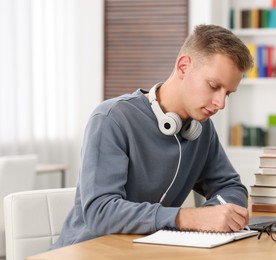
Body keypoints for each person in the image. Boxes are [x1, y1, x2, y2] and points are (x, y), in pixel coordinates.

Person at [52, 24, 253, 249]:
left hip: (147, 250)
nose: (221, 103)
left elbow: (230, 186)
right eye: (214, 86)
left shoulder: (201, 128)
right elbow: (100, 212)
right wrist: (188, 218)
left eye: (228, 93)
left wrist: (216, 216)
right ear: (183, 67)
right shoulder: (112, 118)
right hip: (90, 250)